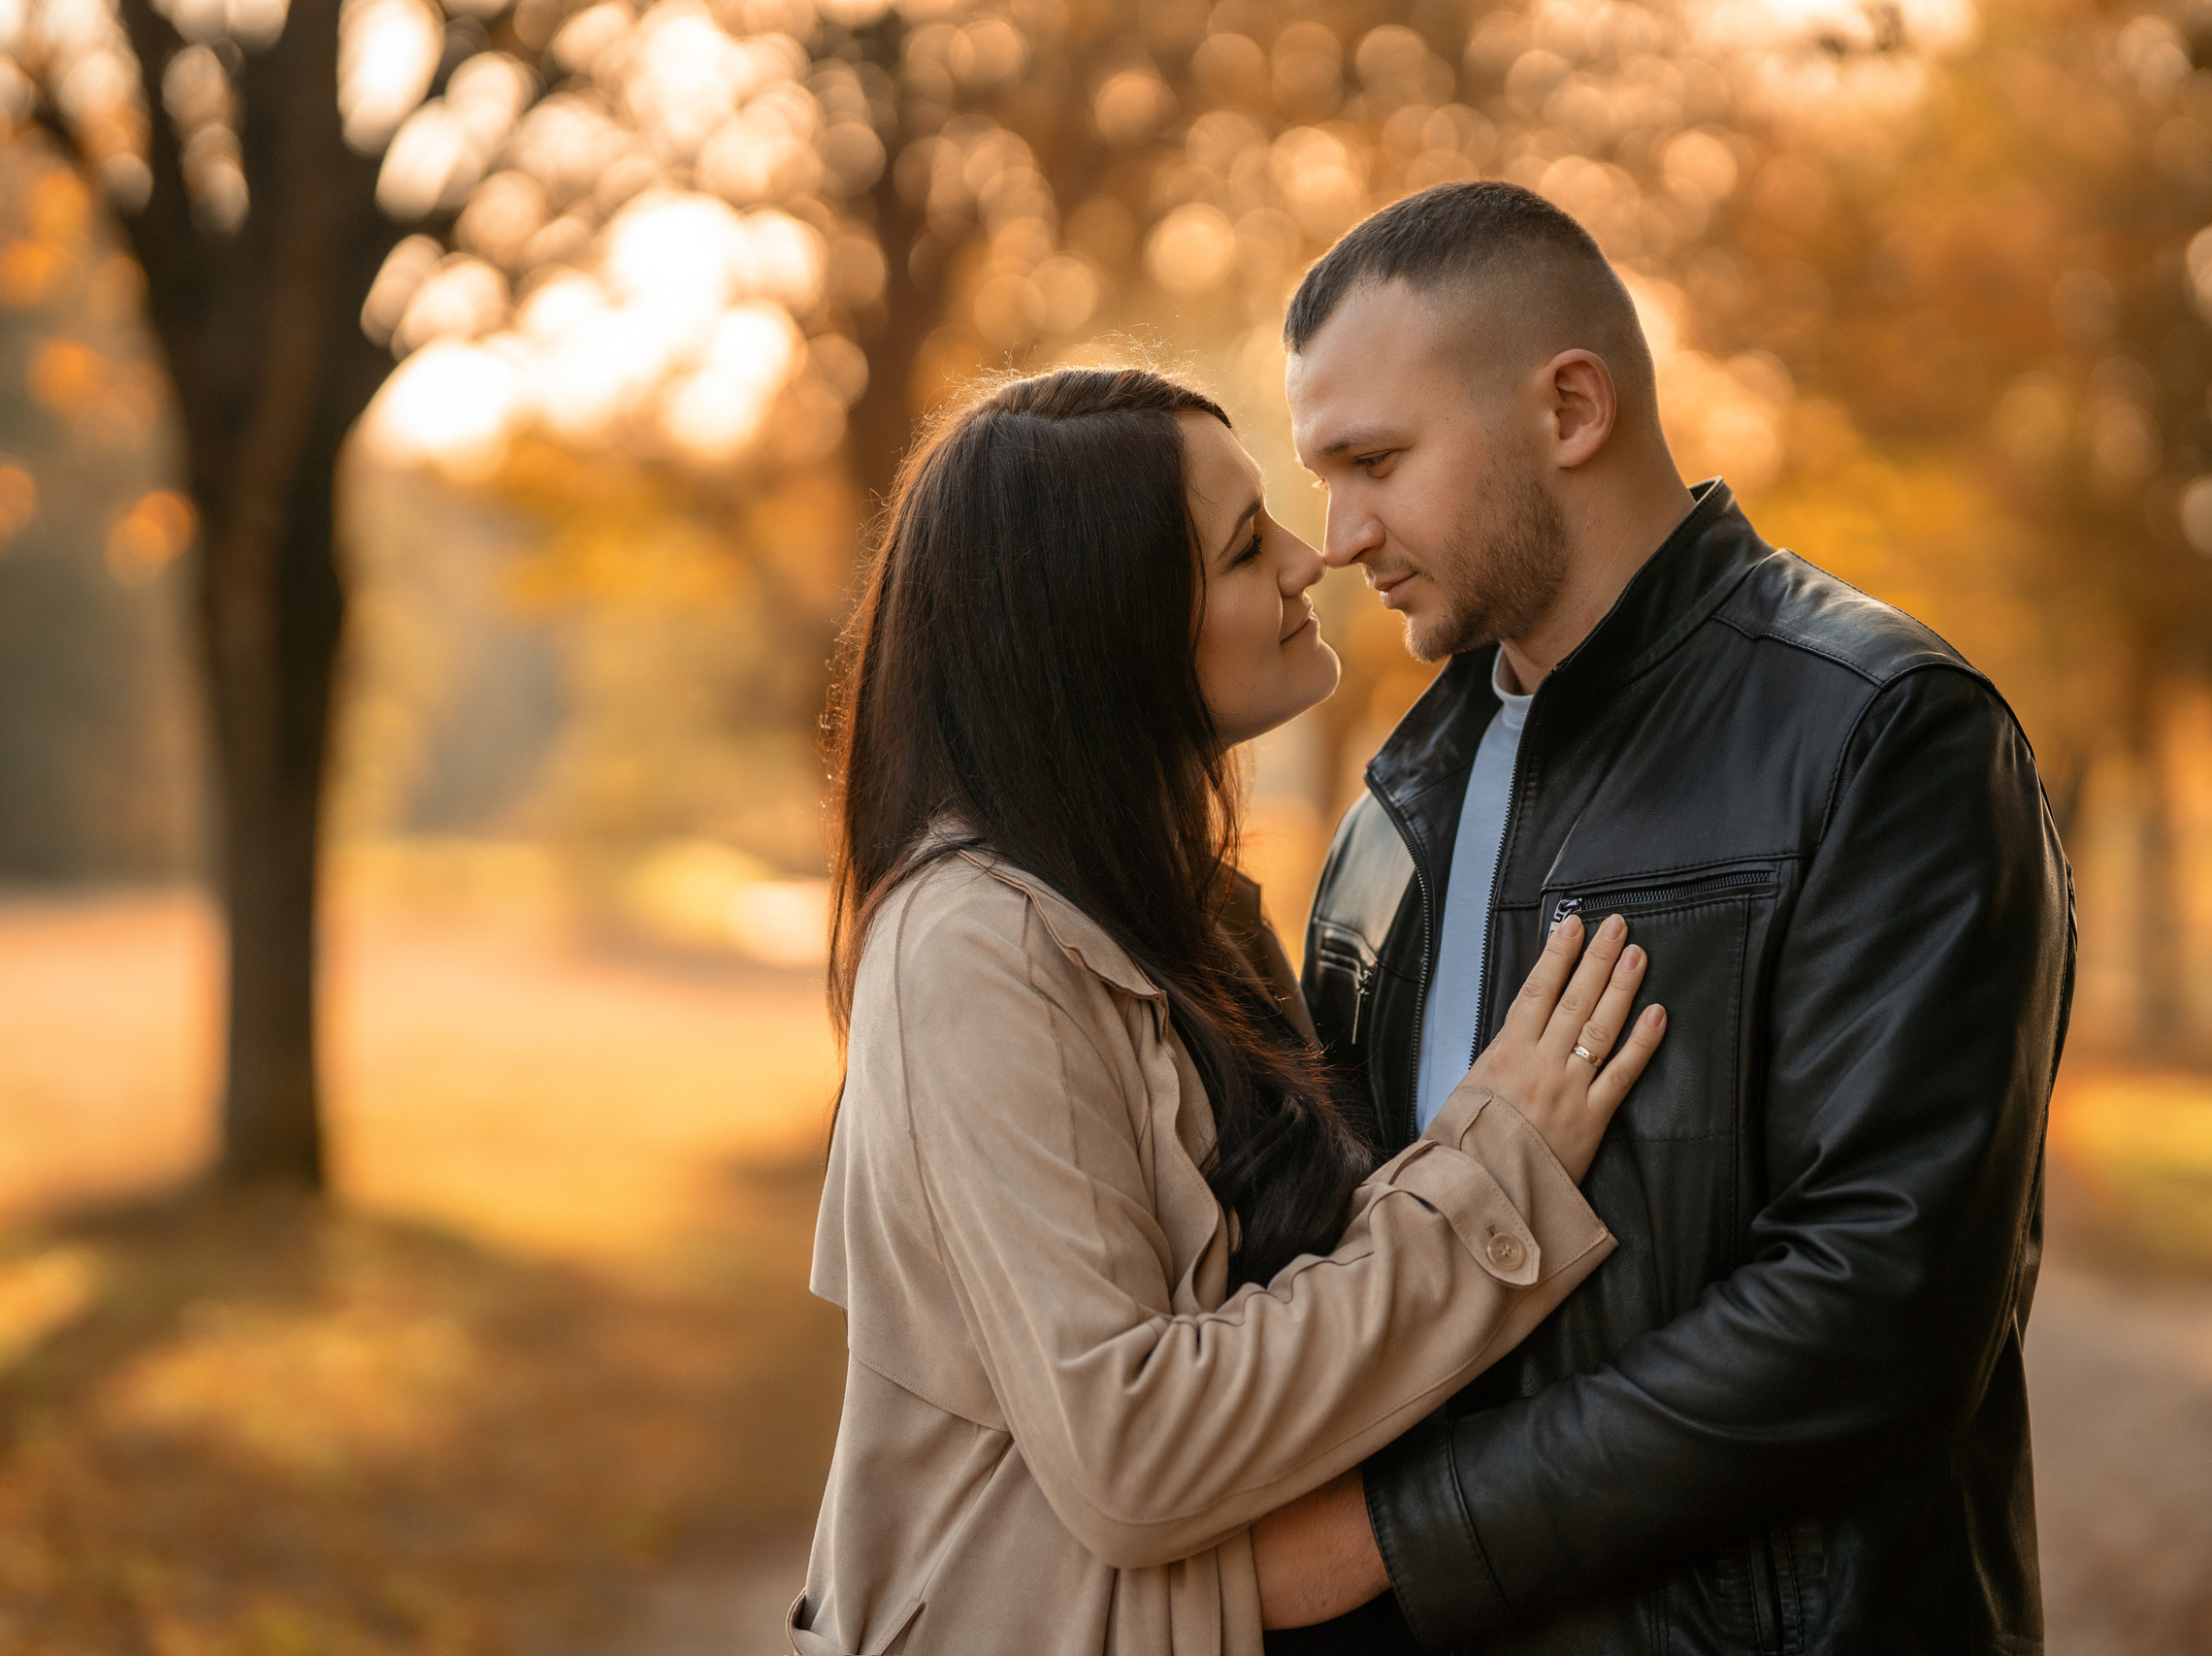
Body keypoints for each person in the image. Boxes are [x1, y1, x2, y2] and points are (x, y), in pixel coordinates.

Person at [1260, 181, 2075, 1654]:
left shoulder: (1886, 736)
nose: (1335, 535)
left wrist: (1396, 1539)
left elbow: (1875, 1310)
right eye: (1323, 474)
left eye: (1374, 460)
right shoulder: (1395, 812)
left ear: (1573, 406)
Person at [792, 367, 1670, 1656]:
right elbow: (1132, 1447)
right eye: (1248, 546)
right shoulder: (975, 952)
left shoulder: (1183, 917)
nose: (1315, 559)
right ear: (1103, 630)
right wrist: (1496, 1173)